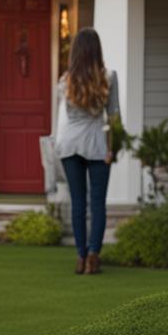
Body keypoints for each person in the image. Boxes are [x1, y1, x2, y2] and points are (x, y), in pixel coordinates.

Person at [54, 28, 120, 275]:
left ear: (75, 52)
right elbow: (114, 117)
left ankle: (80, 257)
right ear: (97, 50)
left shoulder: (65, 81)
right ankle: (94, 256)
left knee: (78, 202)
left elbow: (62, 118)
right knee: (98, 203)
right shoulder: (109, 77)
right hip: (97, 145)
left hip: (69, 145)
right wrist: (113, 149)